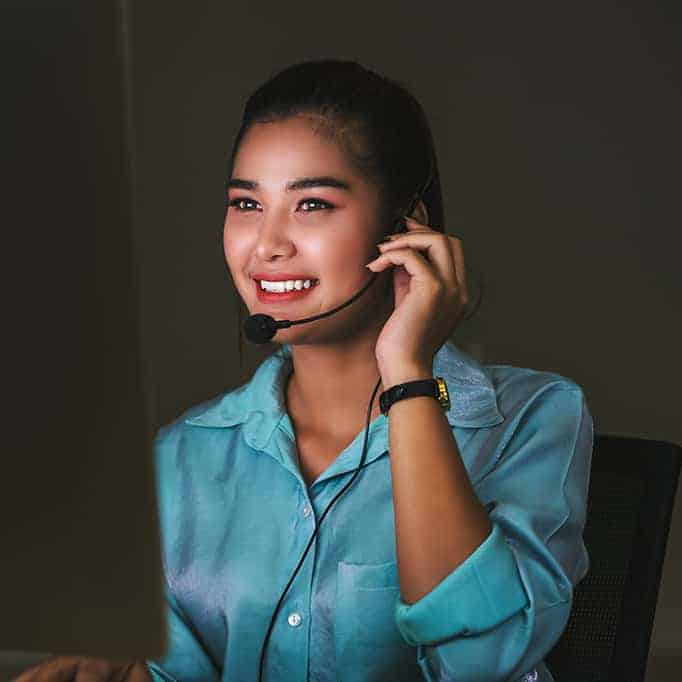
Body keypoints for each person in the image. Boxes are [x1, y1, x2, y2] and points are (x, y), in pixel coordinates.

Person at [16, 59, 593, 682]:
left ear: (404, 229)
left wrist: (408, 375)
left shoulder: (533, 418)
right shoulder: (180, 458)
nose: (267, 244)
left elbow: (483, 662)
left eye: (312, 204)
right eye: (245, 203)